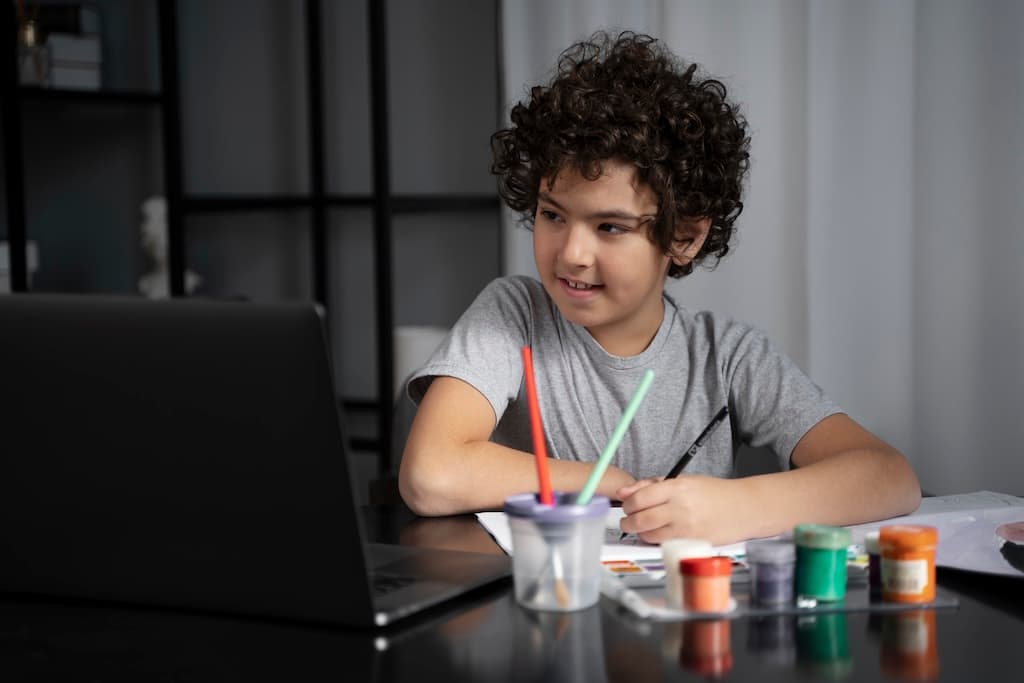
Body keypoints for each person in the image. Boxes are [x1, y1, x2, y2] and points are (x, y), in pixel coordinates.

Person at [398, 30, 920, 545]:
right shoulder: (513, 316)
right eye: (552, 214)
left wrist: (740, 505)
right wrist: (603, 481)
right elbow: (430, 474)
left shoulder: (728, 357)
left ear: (684, 237)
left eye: (610, 226)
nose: (572, 253)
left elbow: (889, 476)